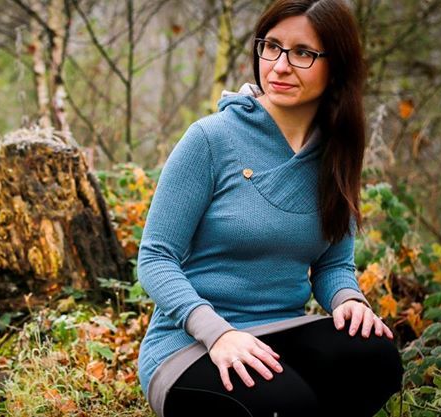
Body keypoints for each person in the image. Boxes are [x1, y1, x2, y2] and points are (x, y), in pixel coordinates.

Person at [136, 1, 404, 416]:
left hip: (282, 332)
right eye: (271, 46)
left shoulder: (337, 151)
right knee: (285, 404)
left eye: (302, 53)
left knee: (377, 358)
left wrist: (348, 300)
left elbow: (333, 264)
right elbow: (155, 258)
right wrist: (218, 333)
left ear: (336, 66)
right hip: (191, 344)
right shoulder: (210, 139)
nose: (279, 66)